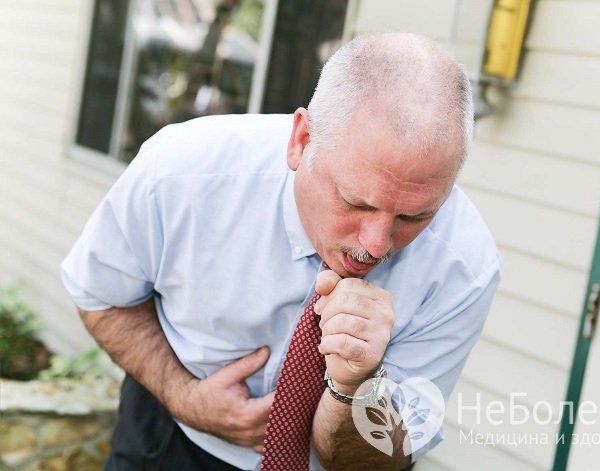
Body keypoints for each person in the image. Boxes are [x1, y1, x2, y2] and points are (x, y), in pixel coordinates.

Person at [61, 32, 501, 470]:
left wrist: (356, 385)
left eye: (414, 217)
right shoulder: (181, 173)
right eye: (356, 202)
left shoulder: (465, 266)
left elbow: (374, 459)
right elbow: (101, 295)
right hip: (169, 438)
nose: (375, 243)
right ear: (301, 140)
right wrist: (184, 397)